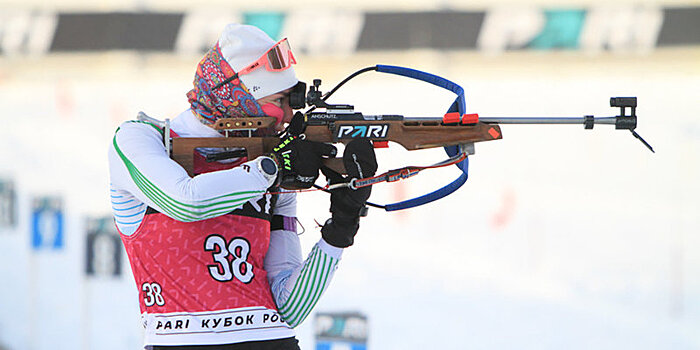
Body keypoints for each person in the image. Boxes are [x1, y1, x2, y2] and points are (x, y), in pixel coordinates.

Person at [108, 23, 377, 349]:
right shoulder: (141, 139)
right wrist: (274, 167)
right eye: (281, 100)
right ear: (237, 99)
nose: (290, 115)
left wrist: (341, 226)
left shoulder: (267, 162)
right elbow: (186, 203)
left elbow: (290, 308)